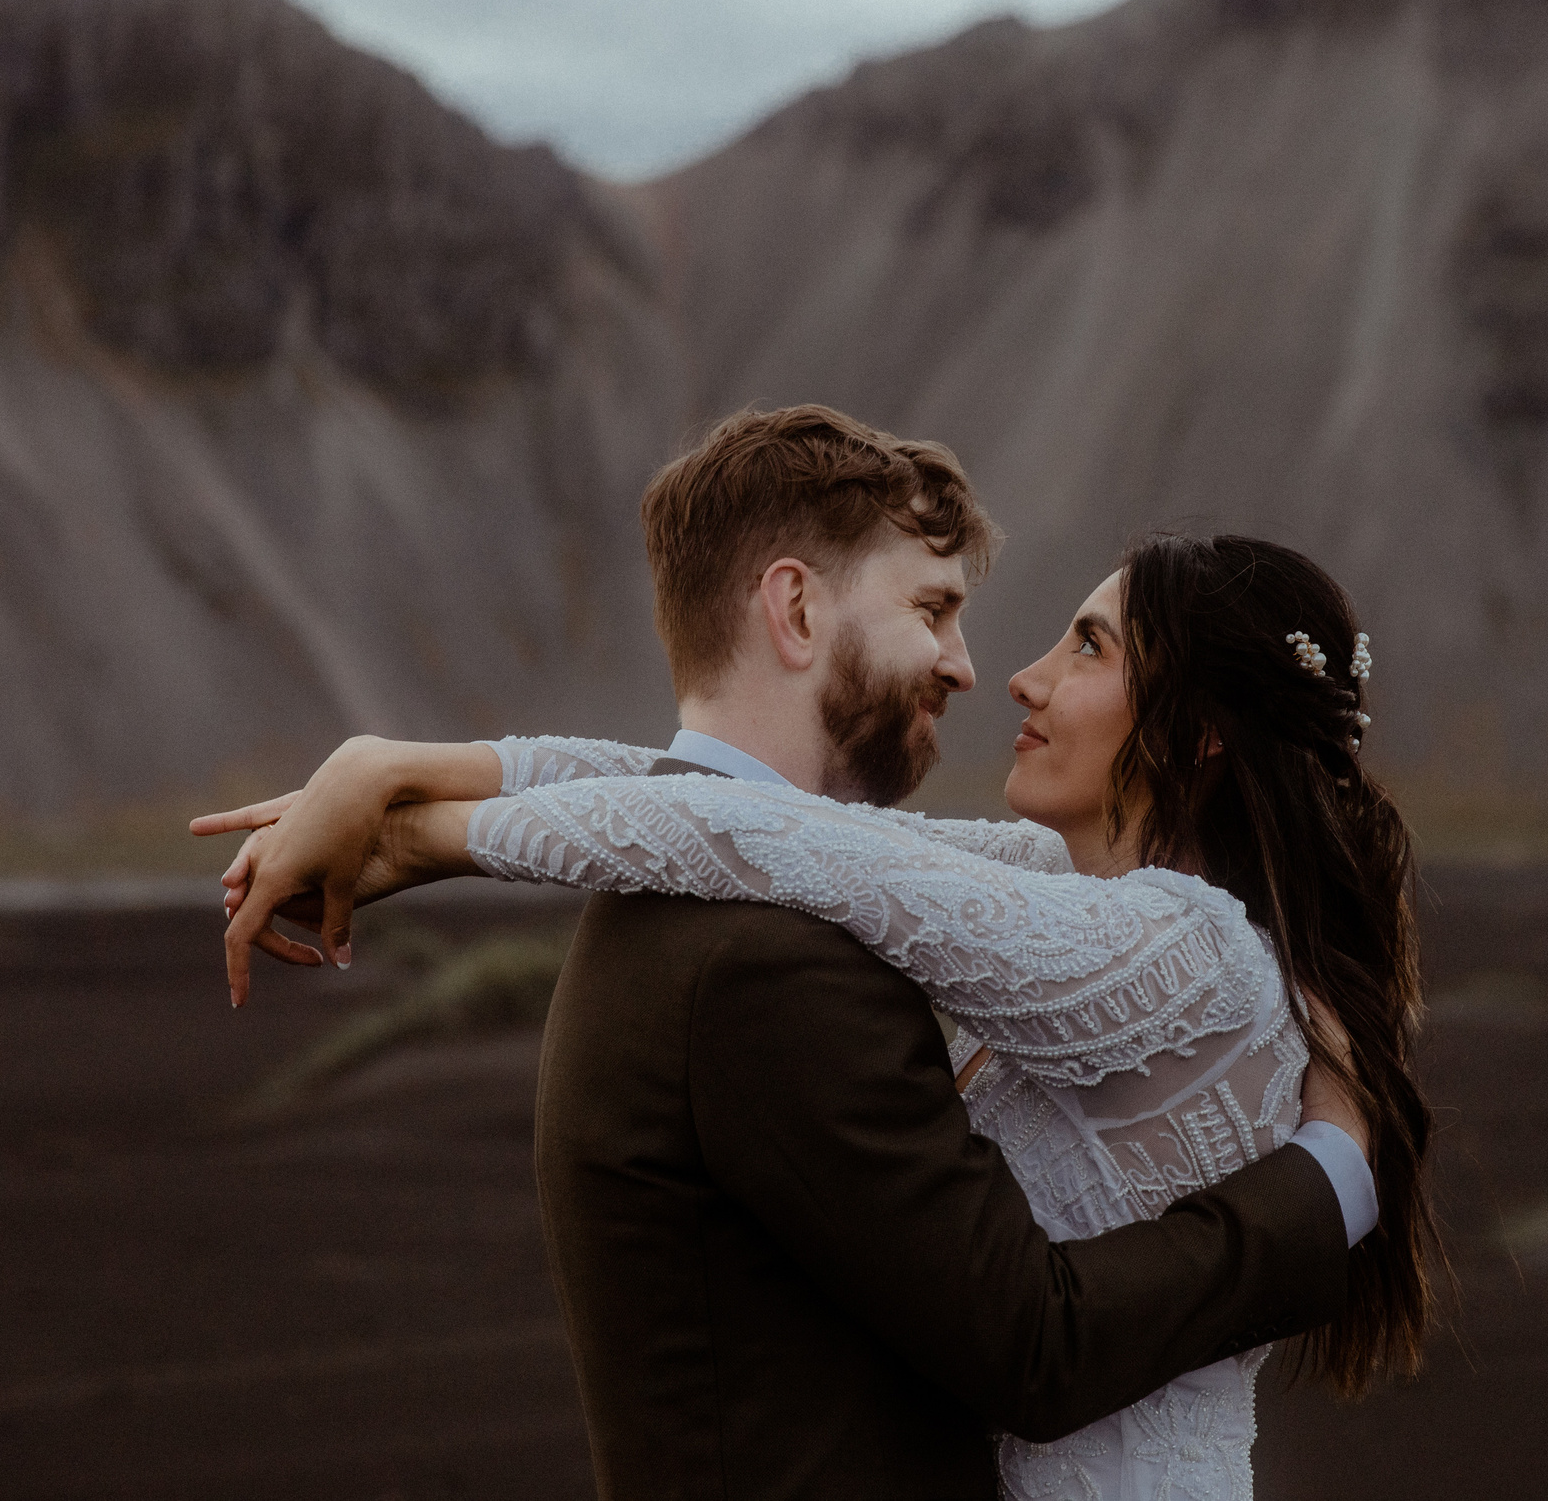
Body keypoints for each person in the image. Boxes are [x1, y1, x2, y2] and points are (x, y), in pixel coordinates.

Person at [200, 407, 1417, 1501]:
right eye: (934, 611)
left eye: (1086, 649)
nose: (987, 670)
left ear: (1195, 739)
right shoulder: (763, 954)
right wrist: (399, 786)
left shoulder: (1164, 942)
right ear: (793, 610)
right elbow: (772, 833)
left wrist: (422, 808)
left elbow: (775, 837)